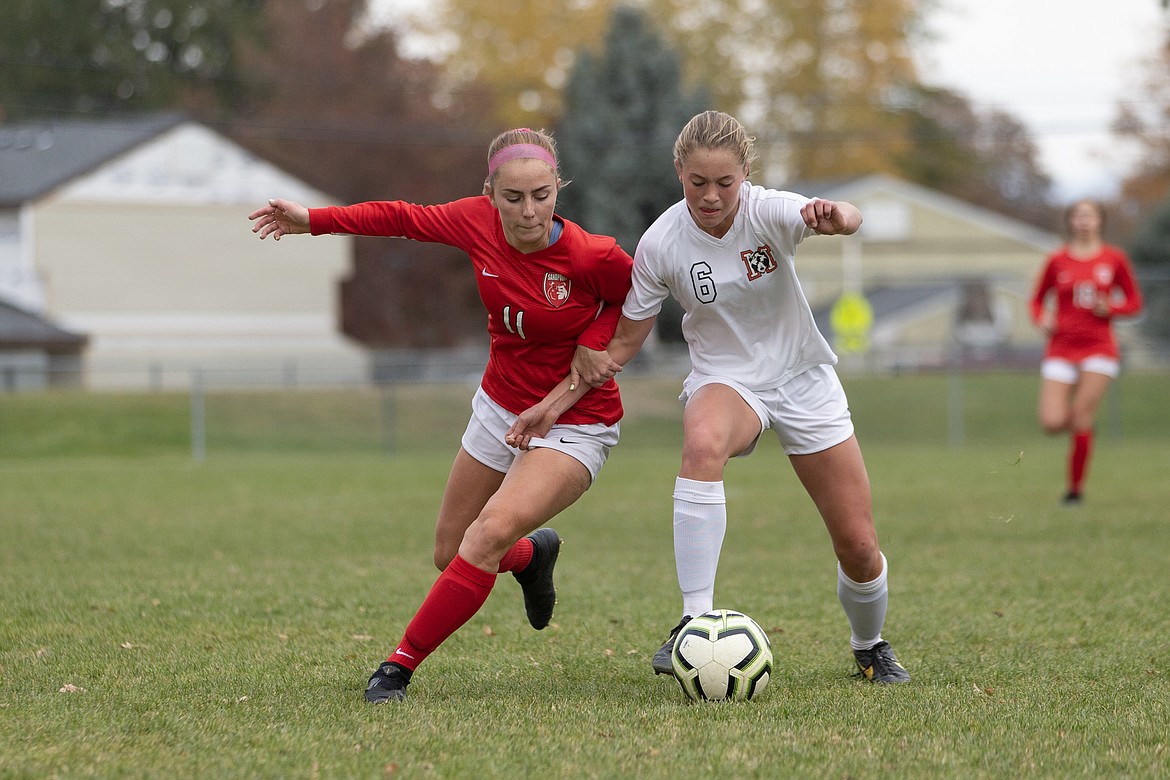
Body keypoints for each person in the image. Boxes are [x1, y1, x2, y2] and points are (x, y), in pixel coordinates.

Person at [509, 110, 911, 683]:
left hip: (802, 379)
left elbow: (845, 218)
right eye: (699, 183)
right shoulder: (662, 245)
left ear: (745, 173)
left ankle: (869, 644)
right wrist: (551, 407)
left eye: (725, 183)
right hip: (727, 379)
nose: (713, 196)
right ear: (679, 172)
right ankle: (693, 622)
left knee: (859, 546)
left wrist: (837, 215)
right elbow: (622, 343)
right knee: (701, 444)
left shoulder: (768, 211)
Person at [248, 128, 633, 703]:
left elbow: (635, 299)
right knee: (450, 551)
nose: (528, 211)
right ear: (489, 193)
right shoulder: (473, 221)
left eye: (542, 194)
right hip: (500, 406)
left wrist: (594, 340)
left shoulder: (589, 253)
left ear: (559, 189)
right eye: (512, 197)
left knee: (488, 534)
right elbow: (399, 217)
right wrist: (314, 219)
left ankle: (397, 667)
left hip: (576, 424)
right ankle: (533, 556)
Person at [1029, 199, 1143, 506]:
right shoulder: (1057, 260)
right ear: (1070, 221)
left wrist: (1113, 307)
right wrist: (1043, 319)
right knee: (1052, 422)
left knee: (1081, 416)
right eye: (1078, 216)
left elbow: (1134, 302)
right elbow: (1037, 301)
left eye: (1089, 216)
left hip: (1099, 349)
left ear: (1099, 221)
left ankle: (1074, 490)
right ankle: (1083, 425)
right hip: (1062, 348)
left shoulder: (1114, 259)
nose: (1084, 221)